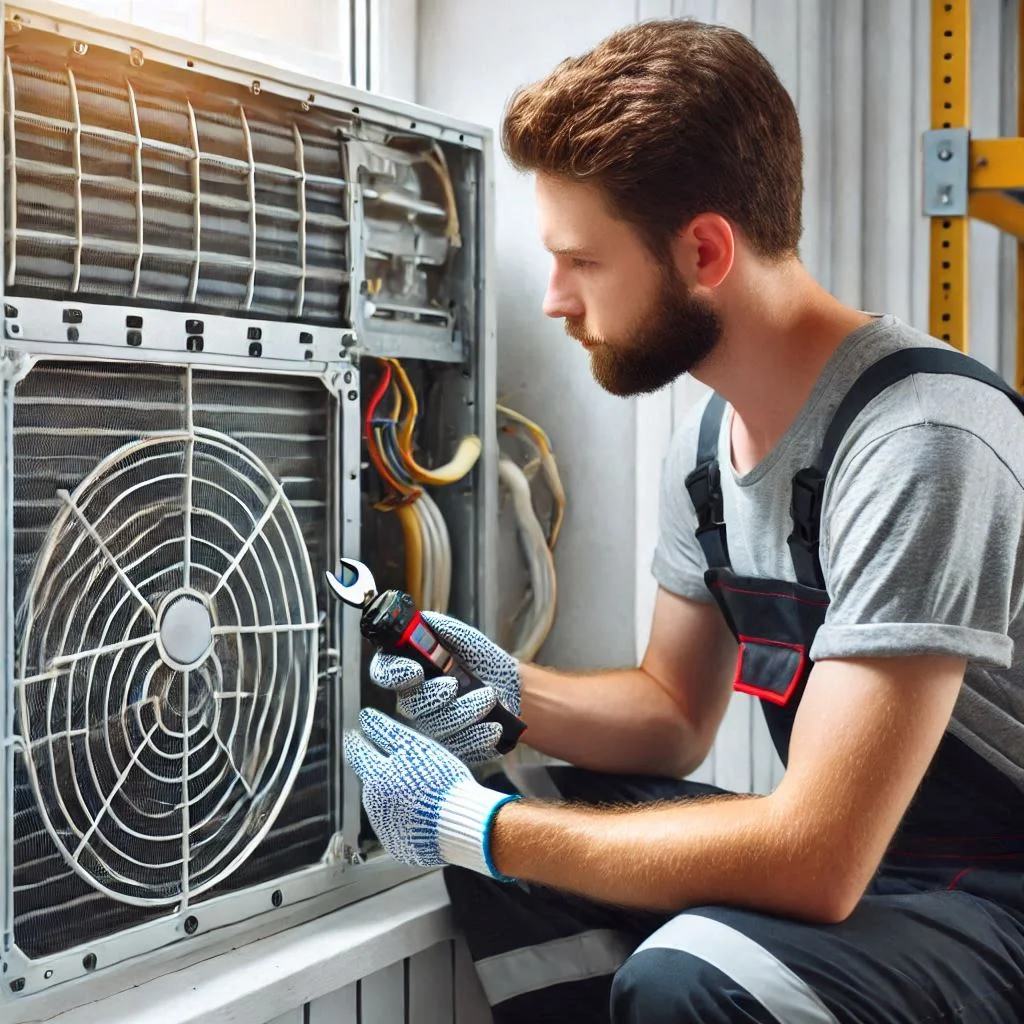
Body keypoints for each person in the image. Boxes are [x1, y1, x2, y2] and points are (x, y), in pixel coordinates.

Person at [344, 18, 1024, 1023]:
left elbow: (816, 859)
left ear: (703, 250)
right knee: (524, 802)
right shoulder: (709, 447)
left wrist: (470, 824)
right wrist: (499, 683)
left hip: (988, 892)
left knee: (691, 968)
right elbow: (672, 714)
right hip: (869, 866)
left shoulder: (921, 440)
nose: (553, 300)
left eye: (582, 261)